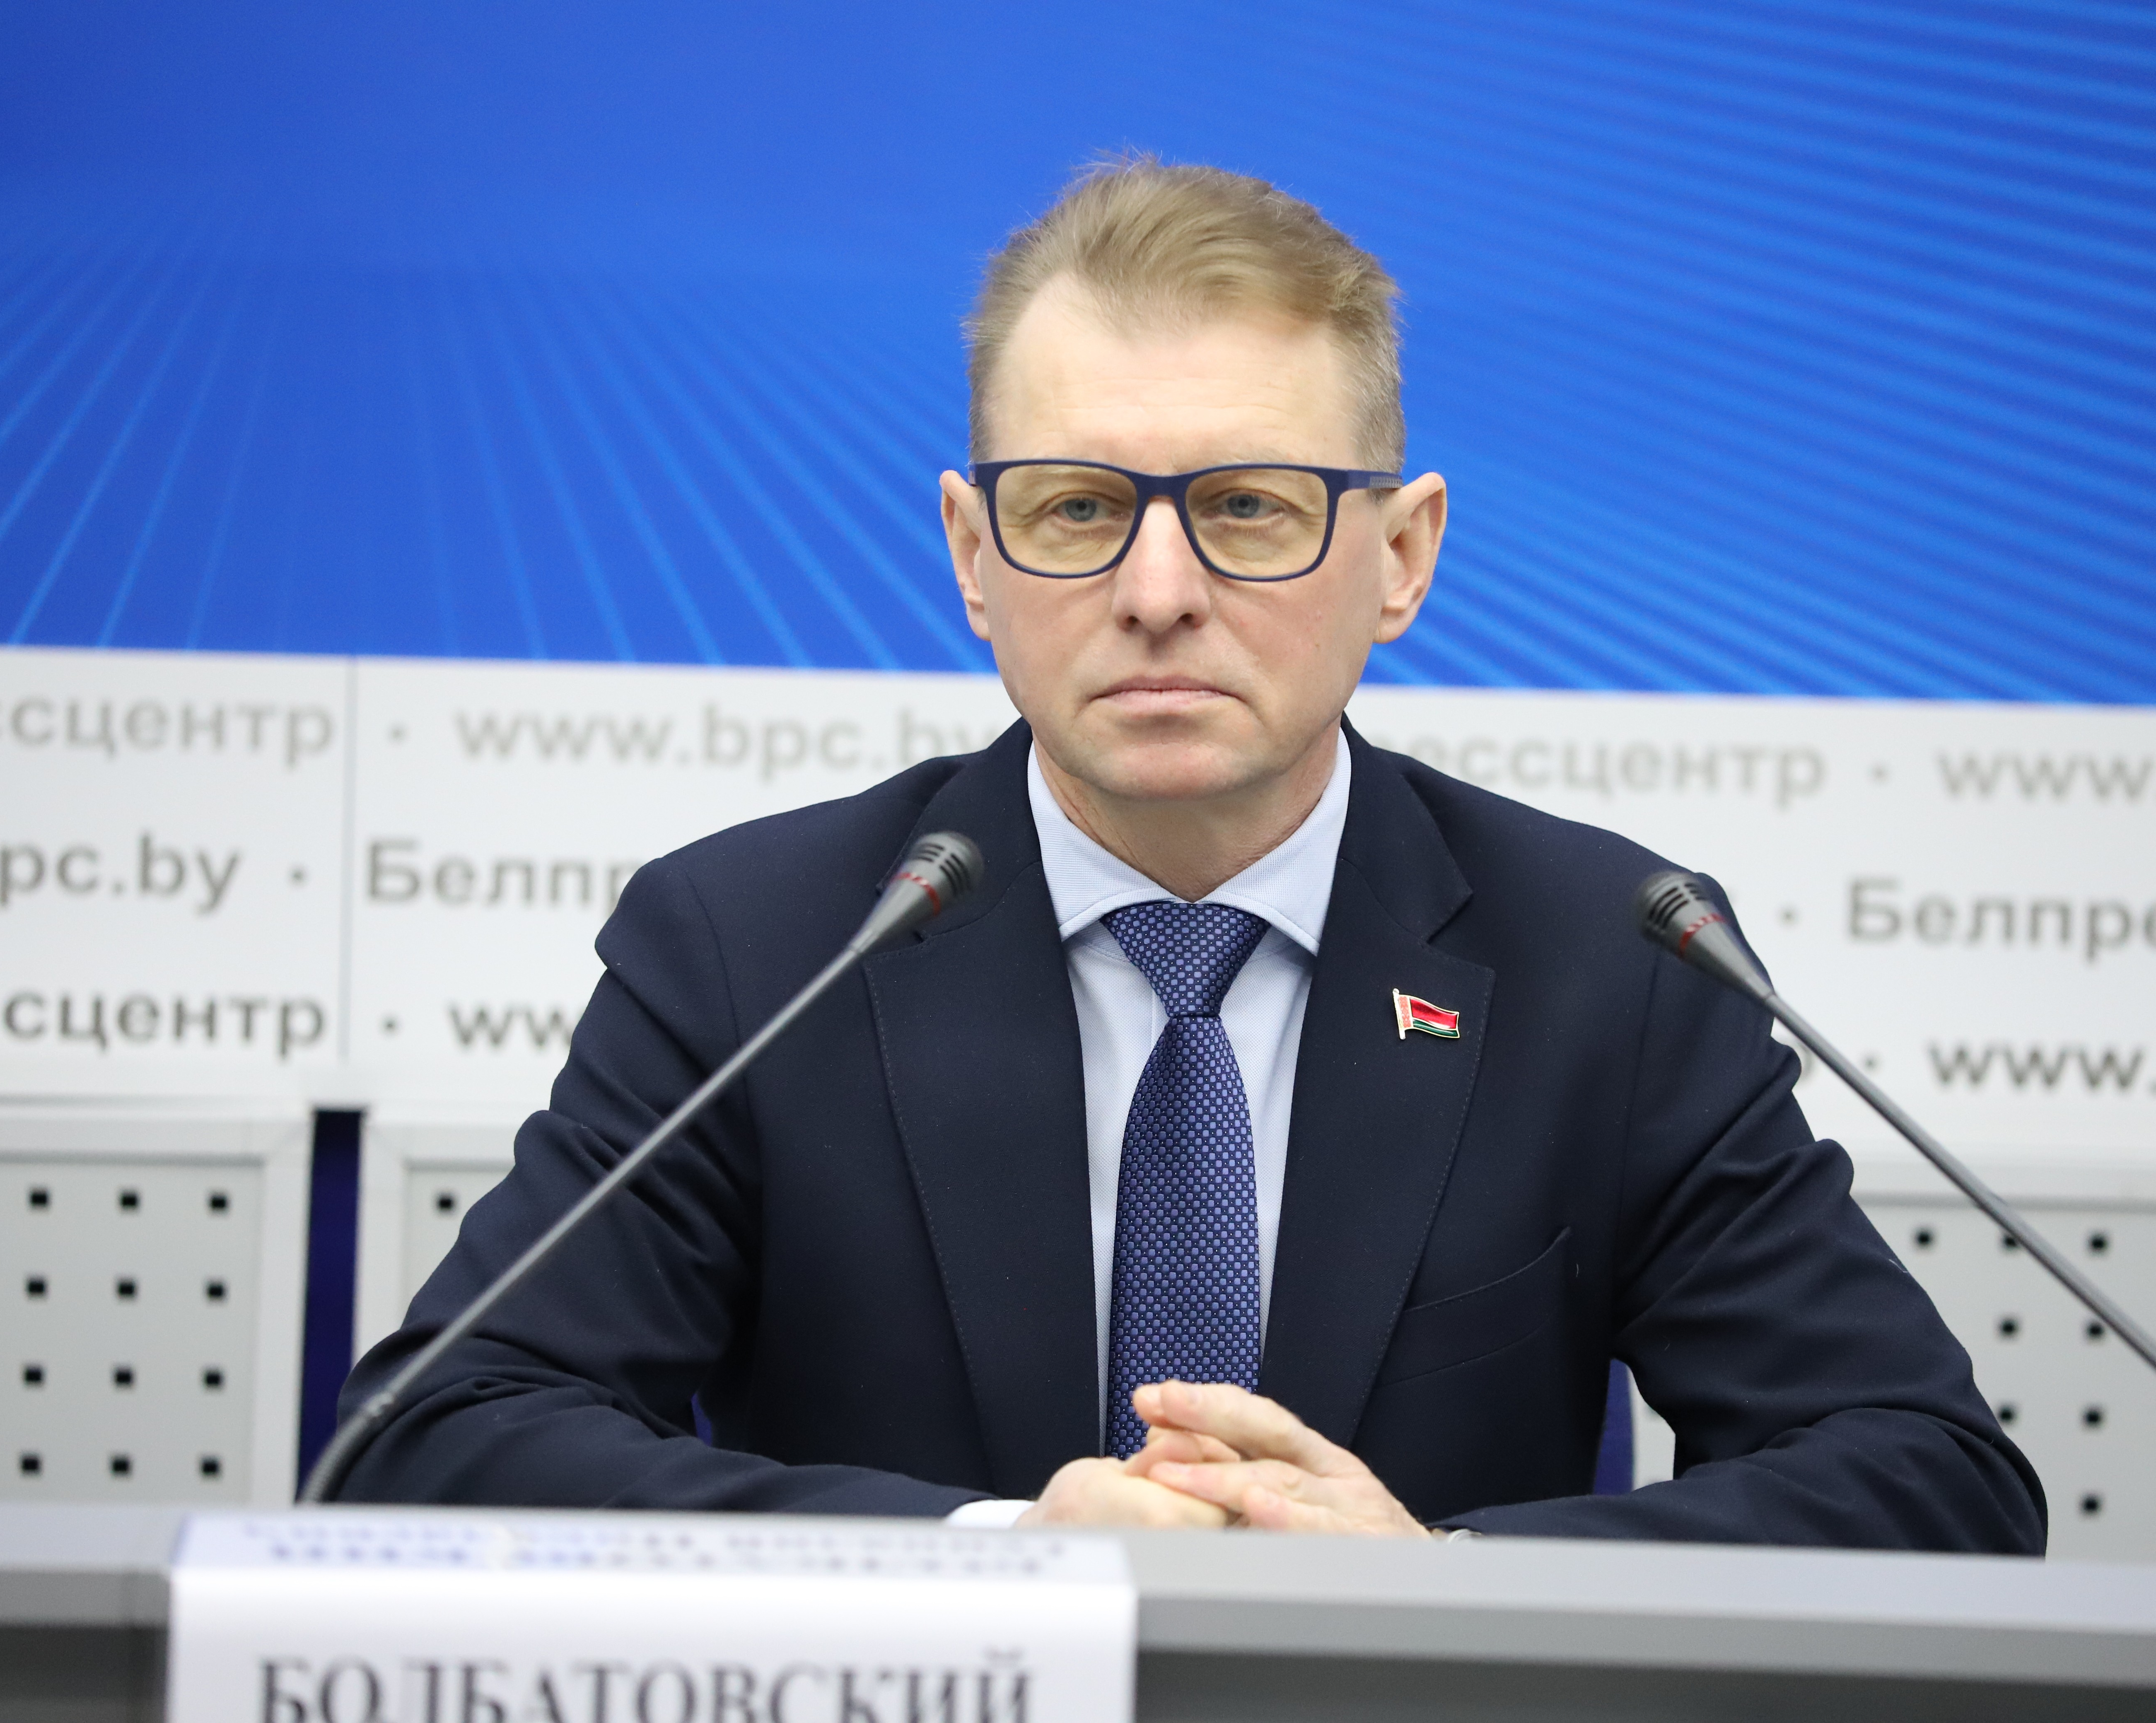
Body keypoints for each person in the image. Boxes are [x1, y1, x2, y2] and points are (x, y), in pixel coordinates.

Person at [336, 160, 2044, 1550]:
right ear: (975, 556)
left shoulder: (1610, 961)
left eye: (1247, 507)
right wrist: (995, 1553)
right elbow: (432, 1440)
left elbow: (1932, 1480)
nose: (1158, 592)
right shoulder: (758, 943)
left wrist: (1442, 1585)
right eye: (1079, 508)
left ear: (1402, 555)